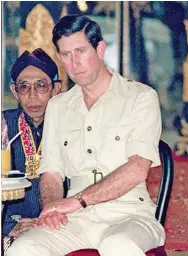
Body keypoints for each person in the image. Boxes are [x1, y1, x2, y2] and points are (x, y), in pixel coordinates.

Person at [7, 15, 164, 256]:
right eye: (66, 55)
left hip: (130, 214)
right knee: (23, 248)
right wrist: (51, 208)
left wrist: (79, 200)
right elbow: (52, 173)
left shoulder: (140, 97)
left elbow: (138, 168)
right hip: (75, 219)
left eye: (81, 51)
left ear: (100, 49)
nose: (75, 63)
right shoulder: (58, 106)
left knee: (117, 245)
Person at [2, 48, 62, 244]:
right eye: (24, 87)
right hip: (9, 227)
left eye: (41, 85)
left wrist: (44, 221)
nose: (32, 95)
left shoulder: (72, 129)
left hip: (59, 225)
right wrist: (9, 227)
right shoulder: (3, 126)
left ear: (56, 88)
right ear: (14, 91)